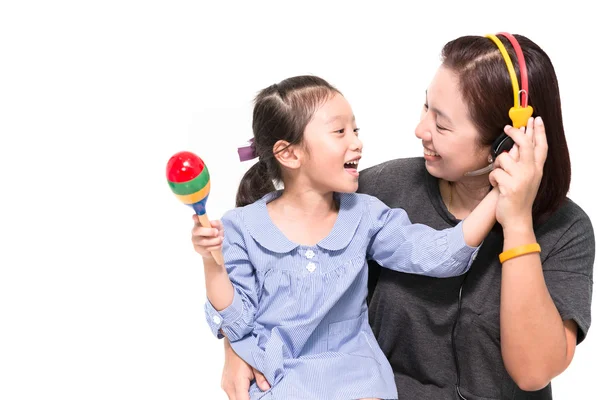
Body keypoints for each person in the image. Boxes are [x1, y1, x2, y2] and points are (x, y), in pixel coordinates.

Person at [204, 33, 595, 399]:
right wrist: (237, 346)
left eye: (441, 124)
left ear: (504, 142)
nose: (419, 129)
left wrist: (517, 219)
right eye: (426, 106)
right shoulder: (375, 190)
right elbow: (274, 243)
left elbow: (533, 373)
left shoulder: (566, 230)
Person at [196, 74, 503, 400]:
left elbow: (437, 253)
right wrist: (211, 262)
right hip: (278, 379)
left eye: (355, 130)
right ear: (289, 154)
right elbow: (238, 322)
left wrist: (500, 193)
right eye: (339, 131)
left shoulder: (367, 215)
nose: (356, 142)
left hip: (356, 378)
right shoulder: (241, 227)